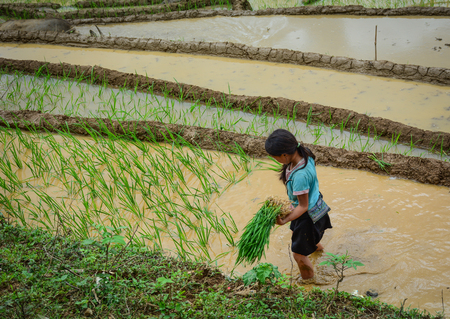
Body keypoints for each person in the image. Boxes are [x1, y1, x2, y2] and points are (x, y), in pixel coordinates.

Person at [265, 129, 332, 280]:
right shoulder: (304, 152)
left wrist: (284, 220)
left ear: (285, 155)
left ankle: (308, 283)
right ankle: (321, 253)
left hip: (308, 215)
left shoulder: (300, 175)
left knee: (299, 255)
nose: (277, 161)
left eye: (276, 158)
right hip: (318, 205)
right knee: (310, 240)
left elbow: (303, 206)